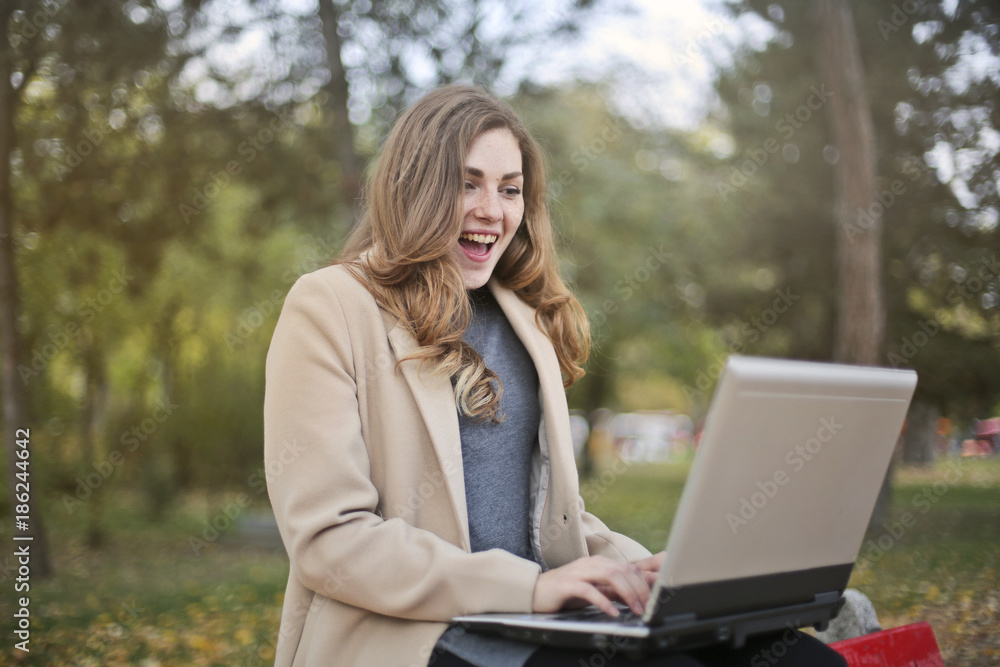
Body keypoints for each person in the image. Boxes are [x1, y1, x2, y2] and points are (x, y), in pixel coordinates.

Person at [263, 85, 846, 667]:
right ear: (413, 185)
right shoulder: (330, 305)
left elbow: (550, 516)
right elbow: (330, 542)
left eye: (509, 189)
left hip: (535, 616)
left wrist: (640, 570)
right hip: (409, 633)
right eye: (467, 183)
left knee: (805, 662)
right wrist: (529, 590)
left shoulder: (524, 314)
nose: (492, 210)